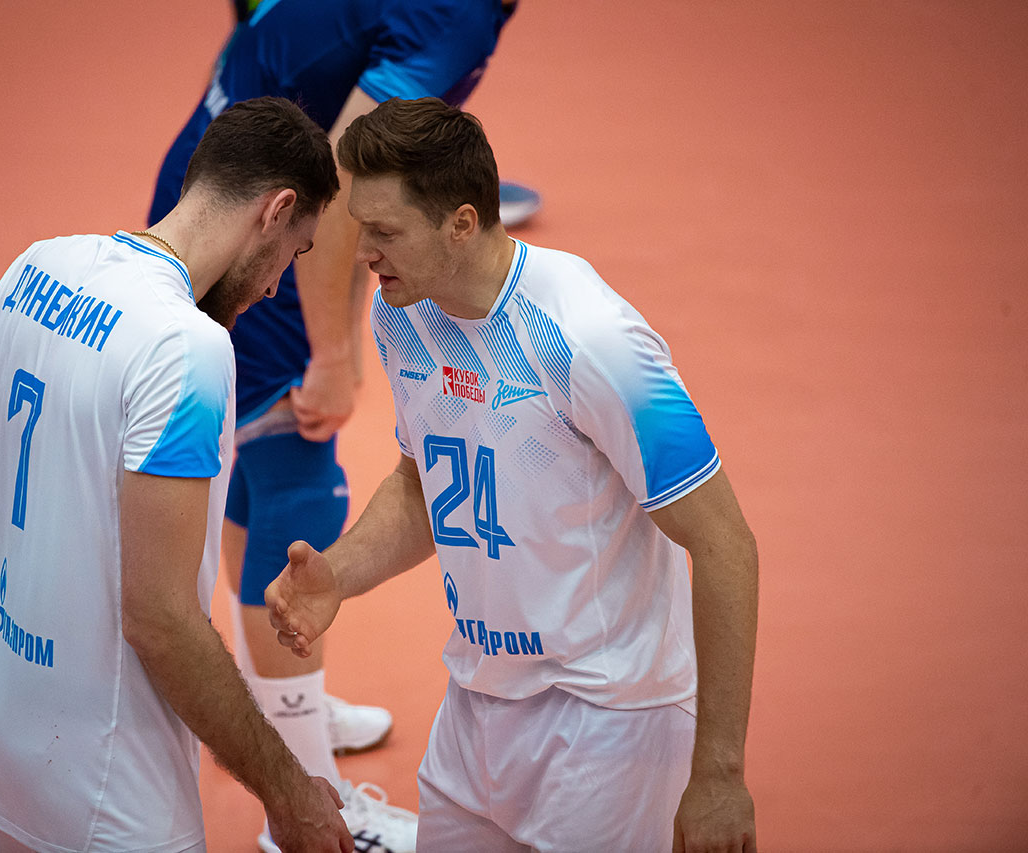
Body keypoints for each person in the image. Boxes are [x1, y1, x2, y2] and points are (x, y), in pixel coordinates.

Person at [267, 97, 760, 853]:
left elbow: (725, 545)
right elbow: (425, 485)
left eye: (386, 232)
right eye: (360, 226)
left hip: (608, 718)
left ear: (461, 224)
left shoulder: (591, 342)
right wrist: (339, 574)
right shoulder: (403, 314)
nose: (363, 251)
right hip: (477, 699)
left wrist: (719, 773)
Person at [0, 97, 352, 853]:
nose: (277, 287)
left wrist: (12, 682)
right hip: (118, 801)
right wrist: (291, 796)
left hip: (7, 764)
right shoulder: (189, 349)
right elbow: (159, 618)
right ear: (277, 210)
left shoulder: (34, 268)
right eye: (296, 252)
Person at [148, 4, 515, 852]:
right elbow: (353, 178)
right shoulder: (455, 14)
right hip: (263, 231)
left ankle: (280, 711)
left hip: (207, 188)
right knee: (296, 473)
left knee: (254, 467)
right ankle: (307, 803)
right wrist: (333, 352)